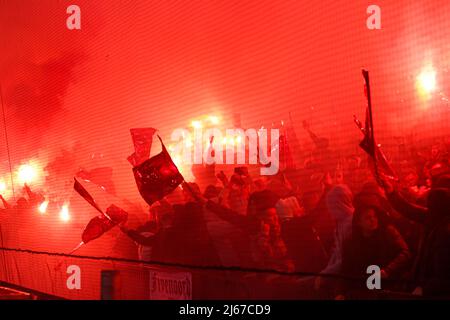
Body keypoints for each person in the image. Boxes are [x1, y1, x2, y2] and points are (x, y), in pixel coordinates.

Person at [379, 173, 450, 297]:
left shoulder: (445, 231)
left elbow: (443, 272)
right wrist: (391, 192)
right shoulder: (435, 216)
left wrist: (424, 289)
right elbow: (408, 209)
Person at [335, 196, 411, 299]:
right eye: (367, 217)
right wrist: (340, 292)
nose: (373, 220)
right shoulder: (352, 242)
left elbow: (405, 253)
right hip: (364, 289)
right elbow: (346, 269)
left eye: (374, 216)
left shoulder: (387, 233)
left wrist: (387, 270)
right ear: (359, 222)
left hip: (389, 286)